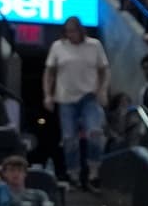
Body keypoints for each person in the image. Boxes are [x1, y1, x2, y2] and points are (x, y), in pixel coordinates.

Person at [44, 15, 109, 189]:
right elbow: (49, 73)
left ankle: (94, 170)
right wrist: (48, 95)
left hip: (89, 95)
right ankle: (73, 173)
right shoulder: (58, 46)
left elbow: (103, 70)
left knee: (95, 132)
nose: (70, 34)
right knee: (69, 138)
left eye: (73, 31)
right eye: (68, 32)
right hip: (65, 97)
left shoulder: (94, 45)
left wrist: (102, 90)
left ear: (80, 30)